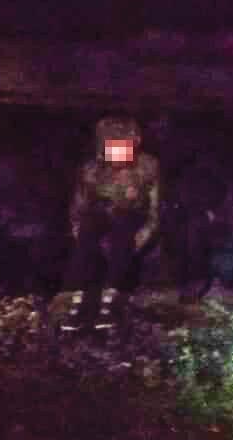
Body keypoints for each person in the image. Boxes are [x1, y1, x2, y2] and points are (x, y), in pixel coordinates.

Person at [51, 115, 160, 332]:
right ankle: (77, 299)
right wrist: (81, 234)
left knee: (122, 230)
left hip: (130, 221)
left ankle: (111, 299)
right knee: (89, 230)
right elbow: (79, 208)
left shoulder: (147, 167)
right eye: (112, 144)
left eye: (124, 143)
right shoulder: (92, 170)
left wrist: (145, 233)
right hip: (98, 220)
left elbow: (154, 209)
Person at [0, 149, 67, 295]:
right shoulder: (1, 174)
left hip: (36, 227)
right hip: (11, 227)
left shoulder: (40, 173)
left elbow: (49, 205)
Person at [166, 156, 233, 303]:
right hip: (204, 227)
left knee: (232, 252)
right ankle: (196, 283)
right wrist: (204, 212)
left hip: (228, 252)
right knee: (192, 236)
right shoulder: (191, 185)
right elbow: (186, 202)